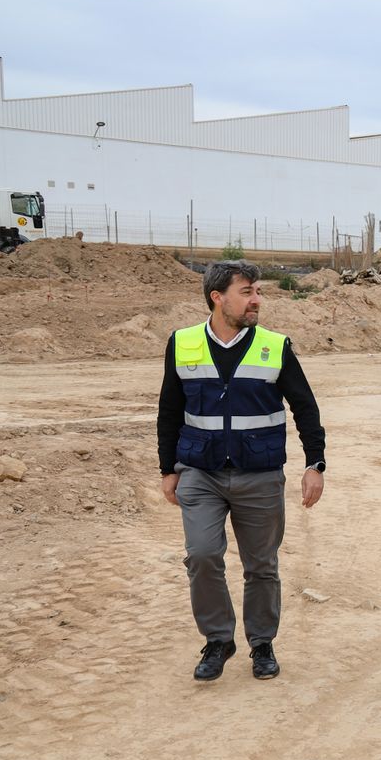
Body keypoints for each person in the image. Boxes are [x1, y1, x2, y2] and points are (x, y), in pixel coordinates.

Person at [157, 260, 327, 682]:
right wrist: (167, 469)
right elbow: (169, 411)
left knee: (262, 565)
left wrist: (315, 463)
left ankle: (262, 642)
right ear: (218, 298)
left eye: (257, 291)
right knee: (201, 555)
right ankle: (218, 640)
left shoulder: (274, 346)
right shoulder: (182, 343)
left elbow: (304, 407)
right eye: (247, 291)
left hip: (259, 474)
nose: (256, 300)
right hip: (200, 471)